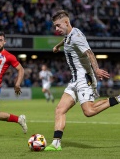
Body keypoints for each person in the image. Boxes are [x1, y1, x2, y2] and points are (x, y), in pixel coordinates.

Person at [44, 10, 120, 151]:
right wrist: (58, 46)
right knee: (60, 109)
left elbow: (89, 53)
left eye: (58, 26)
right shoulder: (69, 34)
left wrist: (96, 69)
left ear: (66, 22)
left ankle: (118, 98)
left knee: (89, 111)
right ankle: (56, 143)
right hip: (75, 79)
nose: (56, 29)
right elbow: (67, 40)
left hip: (84, 78)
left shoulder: (77, 36)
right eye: (55, 26)